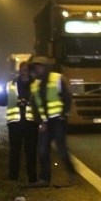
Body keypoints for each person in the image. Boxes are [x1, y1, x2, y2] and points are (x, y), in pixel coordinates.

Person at [27, 56, 78, 187]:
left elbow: (67, 97)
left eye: (39, 67)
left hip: (58, 121)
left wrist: (63, 115)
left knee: (61, 150)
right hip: (45, 122)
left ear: (46, 68)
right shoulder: (35, 84)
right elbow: (35, 105)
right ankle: (45, 179)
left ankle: (72, 174)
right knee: (43, 150)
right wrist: (40, 122)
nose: (37, 69)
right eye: (35, 67)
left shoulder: (58, 79)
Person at [0, 60, 38, 183]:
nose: (24, 72)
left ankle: (32, 178)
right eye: (22, 70)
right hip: (15, 123)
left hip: (31, 123)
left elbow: (41, 102)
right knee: (14, 151)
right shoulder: (10, 85)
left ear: (29, 71)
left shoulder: (36, 85)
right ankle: (13, 177)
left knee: (31, 152)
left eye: (26, 70)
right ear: (19, 70)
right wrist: (0, 93)